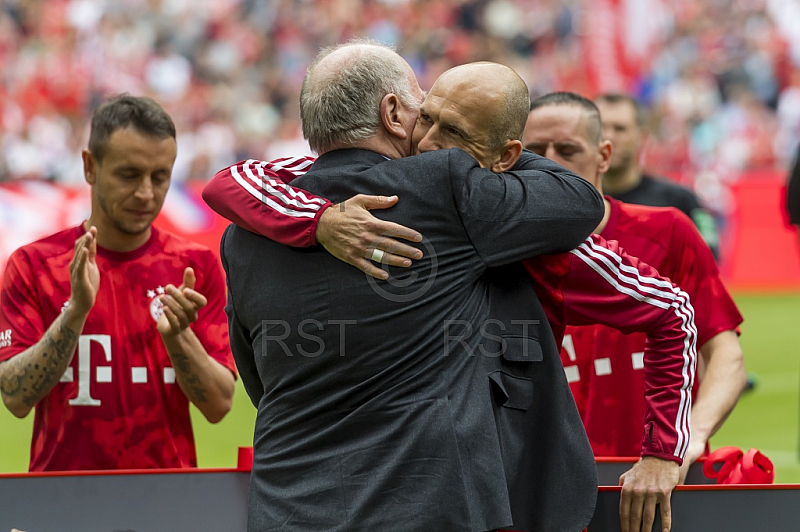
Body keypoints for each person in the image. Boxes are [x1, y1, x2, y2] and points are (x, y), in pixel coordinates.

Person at [206, 62, 698, 532]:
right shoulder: (456, 196)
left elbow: (671, 311)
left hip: (499, 496)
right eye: (429, 120)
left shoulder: (510, 221)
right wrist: (320, 219)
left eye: (455, 135)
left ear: (504, 156)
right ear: (398, 115)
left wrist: (662, 451)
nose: (432, 145)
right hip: (461, 501)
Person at [522, 92, 746, 494]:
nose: (550, 161)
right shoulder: (501, 250)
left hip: (659, 476)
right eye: (536, 149)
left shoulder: (668, 231)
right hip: (548, 484)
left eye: (567, 149)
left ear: (603, 155)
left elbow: (725, 354)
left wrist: (688, 437)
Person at [0, 94, 236, 471]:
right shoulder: (35, 265)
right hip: (61, 506)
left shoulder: (196, 266)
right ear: (90, 167)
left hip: (167, 506)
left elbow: (219, 405)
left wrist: (178, 336)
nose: (146, 192)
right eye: (129, 175)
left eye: (160, 177)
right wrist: (75, 311)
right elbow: (14, 396)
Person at [594, 93, 721, 260]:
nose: (608, 137)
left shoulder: (681, 200)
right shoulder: (574, 201)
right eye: (600, 128)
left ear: (642, 136)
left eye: (620, 129)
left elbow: (709, 260)